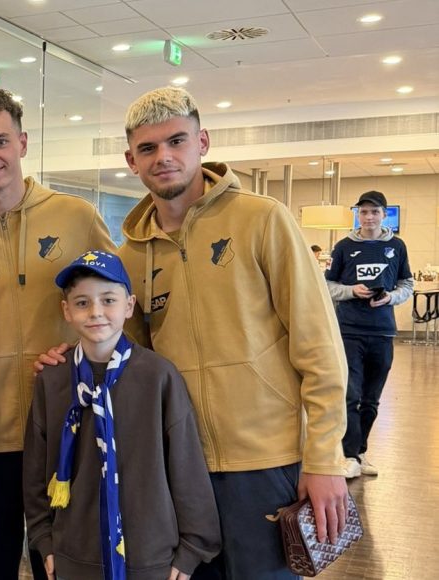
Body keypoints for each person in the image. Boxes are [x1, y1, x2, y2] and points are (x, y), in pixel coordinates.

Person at [116, 86, 349, 579]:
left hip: (265, 462)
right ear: (131, 161)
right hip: (179, 465)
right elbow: (131, 361)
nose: (163, 157)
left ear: (202, 142)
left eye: (176, 141)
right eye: (148, 148)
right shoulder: (130, 256)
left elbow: (319, 347)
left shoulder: (262, 219)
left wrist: (326, 458)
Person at [0, 87, 116, 580]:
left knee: (66, 567)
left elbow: (119, 309)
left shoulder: (76, 218)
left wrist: (85, 352)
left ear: (23, 142)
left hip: (66, 432)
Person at [24, 251, 220, 580]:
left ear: (129, 306)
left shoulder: (158, 376)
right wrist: (43, 538)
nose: (96, 312)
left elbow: (186, 464)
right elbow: (35, 467)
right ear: (66, 310)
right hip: (74, 557)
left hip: (150, 557)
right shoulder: (53, 379)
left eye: (108, 300)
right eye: (82, 302)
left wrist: (191, 550)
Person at [325, 190, 413, 478]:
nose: (369, 217)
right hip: (349, 331)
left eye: (374, 212)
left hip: (383, 333)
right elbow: (328, 285)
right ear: (357, 215)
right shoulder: (343, 247)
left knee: (371, 399)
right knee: (350, 395)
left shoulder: (397, 246)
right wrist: (352, 291)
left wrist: (390, 298)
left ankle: (360, 452)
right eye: (363, 212)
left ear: (384, 214)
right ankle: (349, 455)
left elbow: (406, 284)